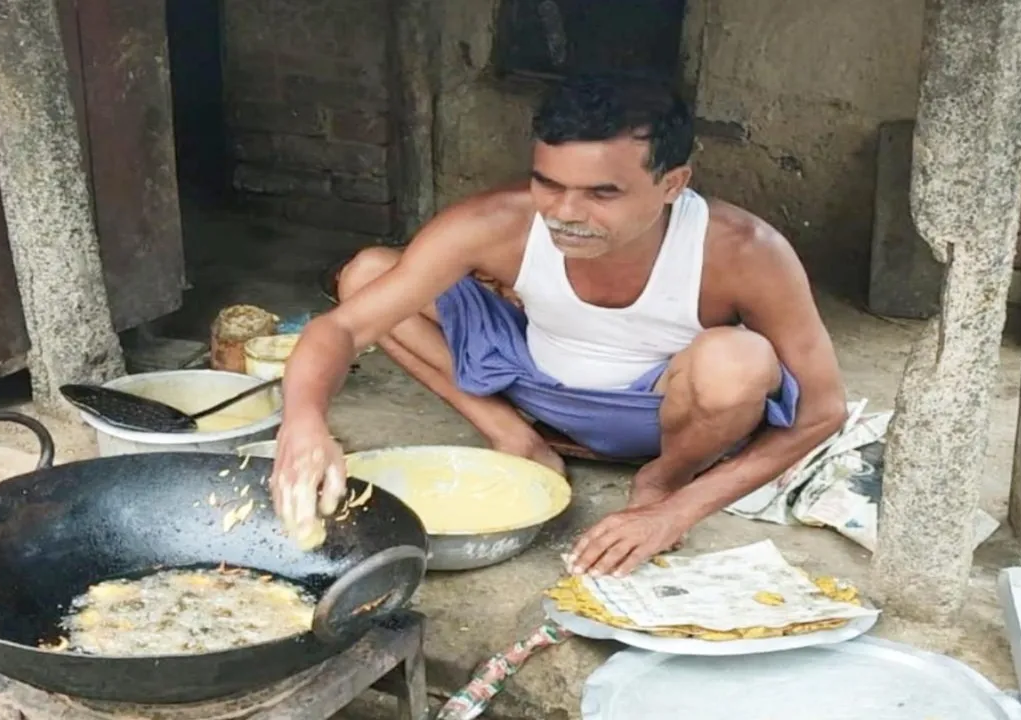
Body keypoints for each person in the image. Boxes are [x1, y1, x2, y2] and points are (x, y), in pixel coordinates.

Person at [269, 73, 848, 577]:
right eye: (548, 183)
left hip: (658, 414)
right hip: (531, 382)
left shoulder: (745, 250)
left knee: (738, 361)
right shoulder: (497, 222)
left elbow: (823, 412)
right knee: (368, 273)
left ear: (673, 184)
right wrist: (302, 423)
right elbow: (340, 330)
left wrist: (677, 509)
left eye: (603, 192)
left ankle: (659, 480)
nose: (566, 213)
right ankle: (515, 437)